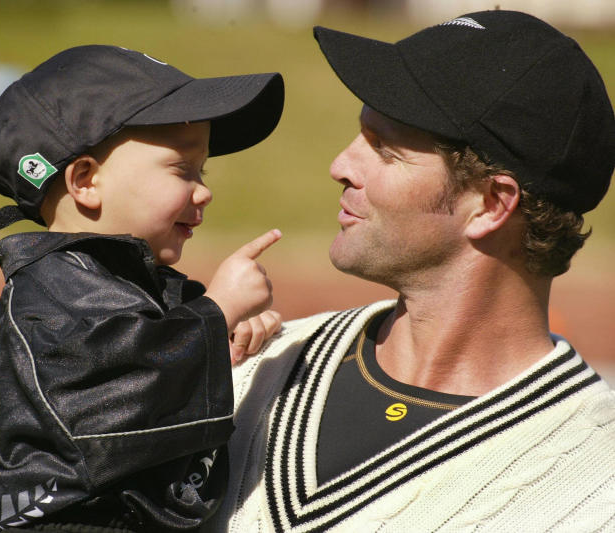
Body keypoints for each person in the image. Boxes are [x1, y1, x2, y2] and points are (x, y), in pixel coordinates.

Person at [204, 10, 615, 532]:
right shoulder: (252, 365)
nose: (340, 165)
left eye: (385, 149)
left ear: (491, 204)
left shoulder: (595, 494)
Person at [0, 45, 284, 531]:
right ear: (84, 180)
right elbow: (118, 394)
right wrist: (217, 313)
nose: (203, 190)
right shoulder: (52, 286)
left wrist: (226, 335)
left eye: (201, 172)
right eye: (182, 169)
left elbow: (158, 353)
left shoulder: (125, 280)